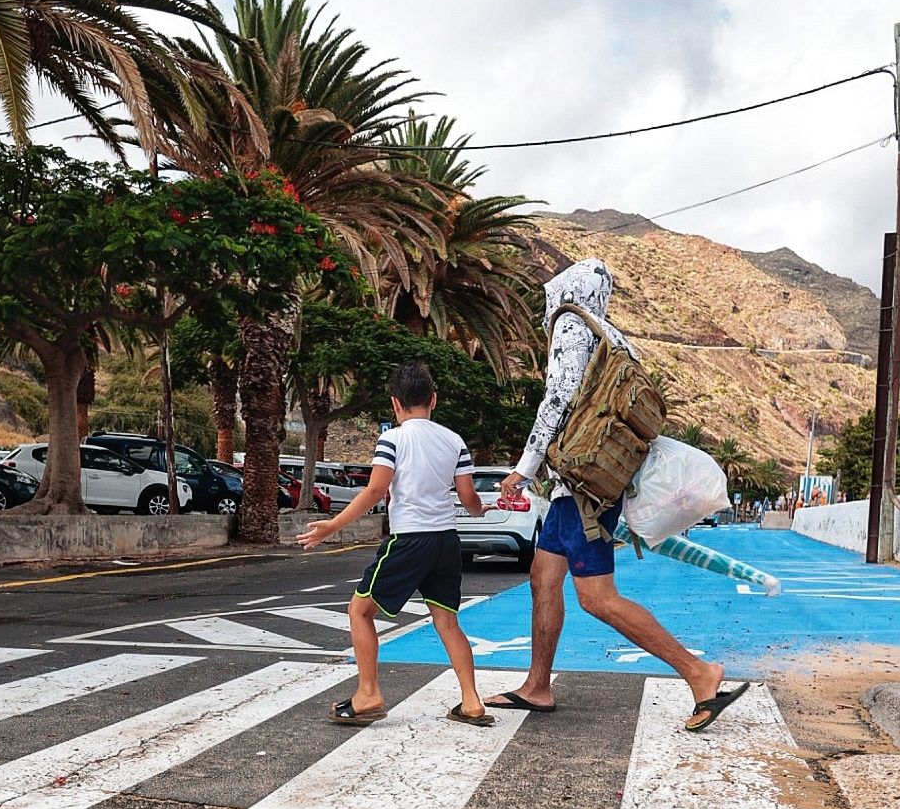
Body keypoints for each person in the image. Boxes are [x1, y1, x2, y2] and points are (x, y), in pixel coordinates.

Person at [485, 260, 748, 732]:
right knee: (543, 577)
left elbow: (558, 398)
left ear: (565, 290)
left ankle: (699, 674)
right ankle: (537, 686)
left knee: (597, 598)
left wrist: (523, 469)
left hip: (584, 489)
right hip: (585, 484)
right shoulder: (611, 336)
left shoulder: (571, 325)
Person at [298, 361, 493, 727]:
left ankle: (368, 693)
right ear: (432, 399)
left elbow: (375, 490)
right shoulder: (455, 441)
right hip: (446, 542)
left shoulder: (393, 439)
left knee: (359, 611)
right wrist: (481, 510)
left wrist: (332, 526)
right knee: (447, 621)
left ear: (395, 404)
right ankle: (471, 702)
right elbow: (468, 498)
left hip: (410, 541)